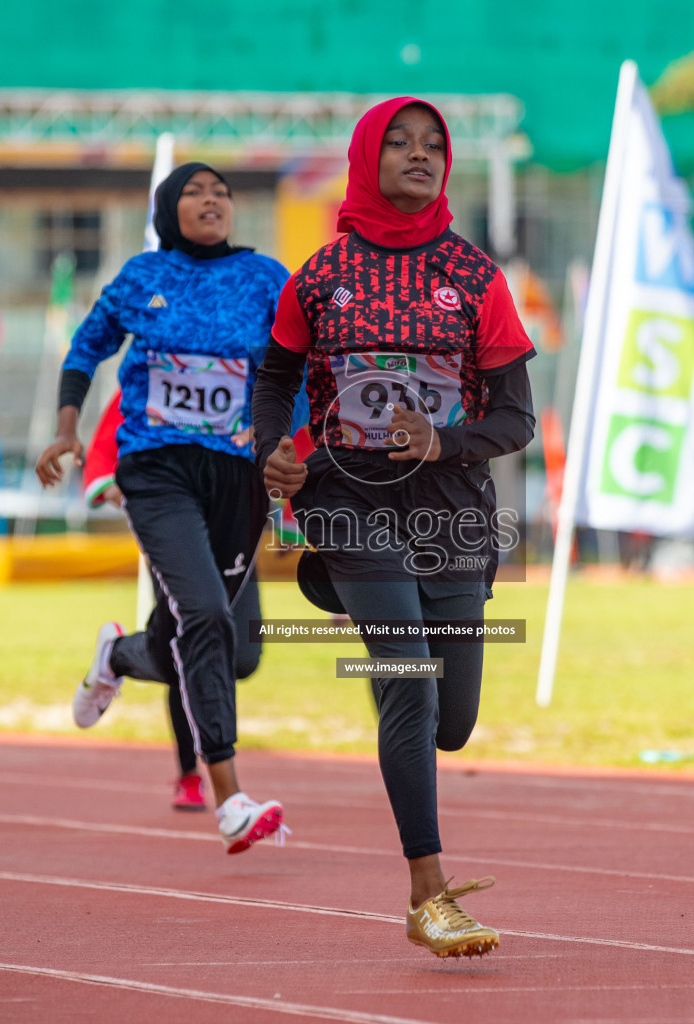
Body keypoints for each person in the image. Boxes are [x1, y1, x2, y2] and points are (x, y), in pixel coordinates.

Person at [251, 98, 536, 956]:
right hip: (346, 496)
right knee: (408, 682)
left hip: (452, 507)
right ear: (366, 157)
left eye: (434, 145)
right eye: (401, 143)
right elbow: (274, 381)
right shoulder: (319, 276)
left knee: (453, 721)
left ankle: (384, 626)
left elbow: (517, 420)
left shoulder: (477, 277)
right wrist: (275, 450)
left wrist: (443, 438)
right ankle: (428, 893)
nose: (420, 155)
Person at [37, 161, 290, 854]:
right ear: (167, 210)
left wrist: (294, 448)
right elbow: (87, 347)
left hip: (238, 476)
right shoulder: (141, 278)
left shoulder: (268, 279)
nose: (212, 201)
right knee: (206, 615)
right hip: (155, 469)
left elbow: (296, 366)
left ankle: (117, 655)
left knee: (206, 636)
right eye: (194, 193)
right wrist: (68, 426)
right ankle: (229, 795)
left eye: (222, 193)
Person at [79, 389, 264, 813]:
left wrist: (289, 511)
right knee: (196, 641)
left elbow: (291, 424)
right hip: (176, 530)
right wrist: (118, 489)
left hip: (236, 521)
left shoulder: (253, 359)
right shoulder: (162, 356)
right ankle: (193, 774)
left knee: (242, 657)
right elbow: (107, 442)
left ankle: (120, 654)